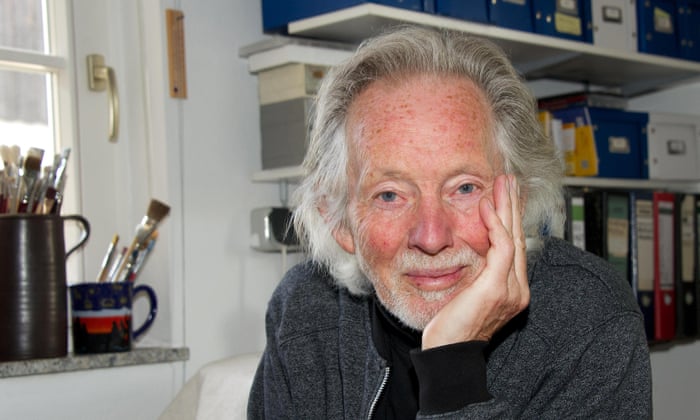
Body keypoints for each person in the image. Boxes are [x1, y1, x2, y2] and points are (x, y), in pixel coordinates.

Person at [248, 25, 651, 419]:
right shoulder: (304, 309)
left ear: (519, 196)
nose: (431, 236)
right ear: (339, 221)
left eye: (464, 188)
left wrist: (452, 367)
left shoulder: (590, 320)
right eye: (389, 195)